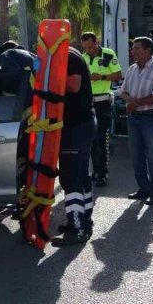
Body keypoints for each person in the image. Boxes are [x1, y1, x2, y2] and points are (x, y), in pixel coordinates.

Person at [55, 43, 97, 244]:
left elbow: (74, 85)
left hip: (76, 127)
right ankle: (83, 222)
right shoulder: (72, 55)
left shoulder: (68, 56)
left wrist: (49, 73)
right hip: (82, 124)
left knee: (71, 178)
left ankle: (78, 228)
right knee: (81, 176)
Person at [120, 36, 153, 206]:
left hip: (151, 118)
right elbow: (123, 92)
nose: (133, 51)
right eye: (133, 49)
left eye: (136, 48)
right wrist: (129, 101)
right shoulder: (132, 70)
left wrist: (135, 103)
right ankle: (143, 188)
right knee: (136, 156)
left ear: (148, 50)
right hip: (133, 118)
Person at [79, 32, 123, 187]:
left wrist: (102, 77)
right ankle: (96, 172)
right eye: (85, 48)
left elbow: (118, 75)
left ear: (96, 42)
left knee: (101, 138)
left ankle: (103, 174)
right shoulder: (82, 58)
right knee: (90, 139)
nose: (88, 50)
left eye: (90, 47)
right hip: (87, 103)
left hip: (103, 101)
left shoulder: (108, 54)